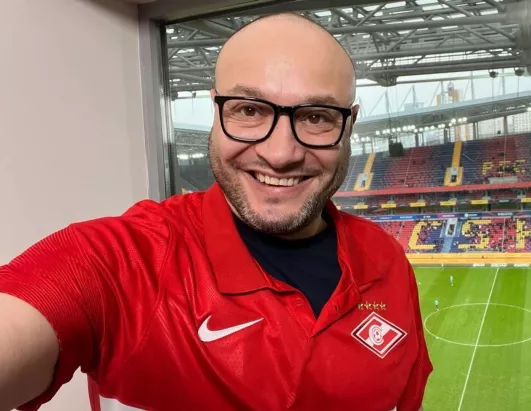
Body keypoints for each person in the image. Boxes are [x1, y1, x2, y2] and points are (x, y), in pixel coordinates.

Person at [0, 13, 431, 411]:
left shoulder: (387, 260)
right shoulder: (123, 262)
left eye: (317, 117)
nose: (281, 154)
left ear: (349, 124)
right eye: (249, 110)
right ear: (216, 109)